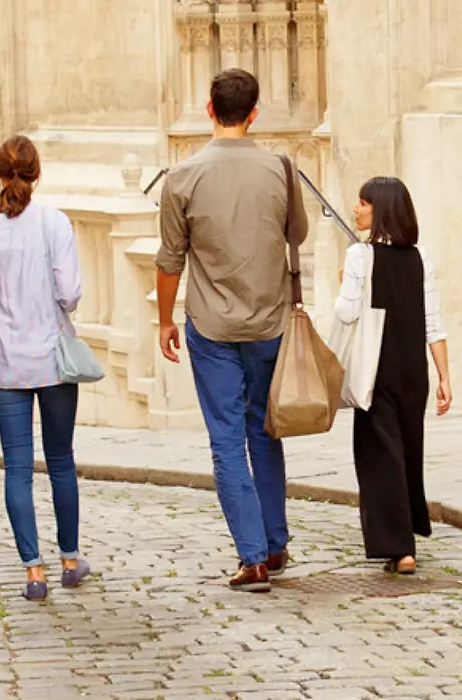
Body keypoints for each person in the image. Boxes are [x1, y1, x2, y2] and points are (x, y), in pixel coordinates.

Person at [155, 68, 310, 592]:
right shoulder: (281, 170)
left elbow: (170, 260)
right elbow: (299, 234)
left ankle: (253, 558)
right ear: (255, 112)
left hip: (213, 325)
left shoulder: (182, 177)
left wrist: (163, 321)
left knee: (226, 439)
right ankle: (274, 541)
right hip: (269, 322)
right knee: (265, 429)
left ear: (208, 108)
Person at [0, 135, 94, 601]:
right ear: (37, 175)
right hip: (53, 358)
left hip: (6, 360)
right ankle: (69, 559)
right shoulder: (54, 223)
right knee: (60, 459)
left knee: (16, 467)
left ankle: (33, 572)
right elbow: (71, 292)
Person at [335, 177, 452, 576]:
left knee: (379, 458)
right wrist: (444, 377)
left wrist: (344, 285)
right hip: (412, 372)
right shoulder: (421, 259)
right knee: (407, 453)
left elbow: (346, 314)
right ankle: (409, 536)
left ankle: (399, 546)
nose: (356, 209)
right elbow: (433, 323)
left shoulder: (359, 257)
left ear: (380, 210)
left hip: (376, 370)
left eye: (363, 203)